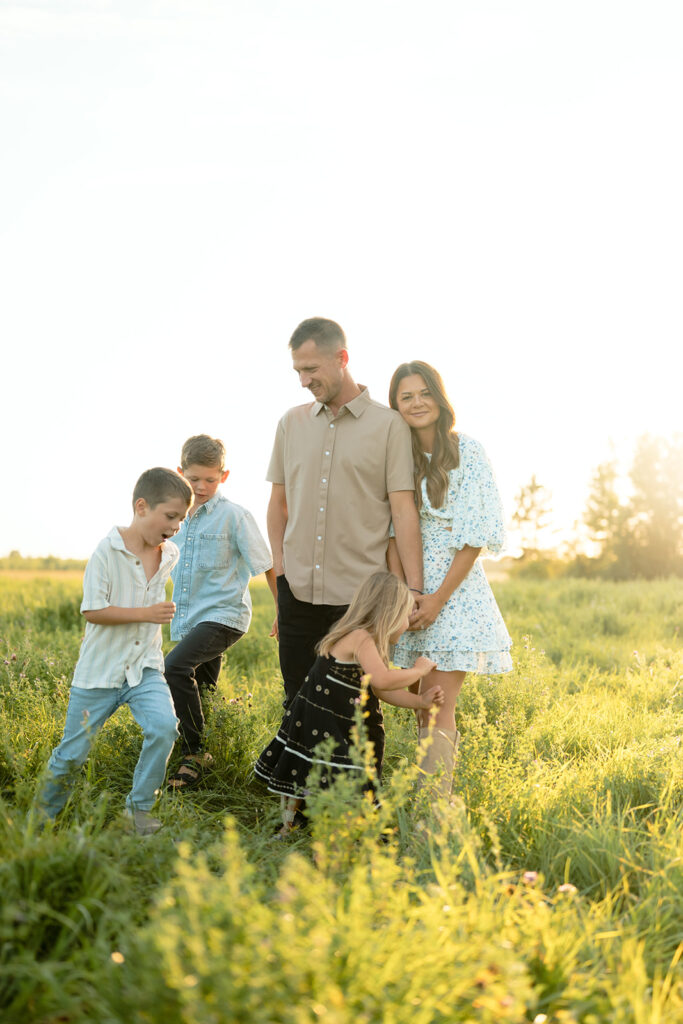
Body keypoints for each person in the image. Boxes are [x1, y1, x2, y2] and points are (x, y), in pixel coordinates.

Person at [267, 317, 423, 707]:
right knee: (296, 704)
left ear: (342, 358)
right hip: (297, 589)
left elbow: (403, 512)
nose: (303, 380)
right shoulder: (291, 423)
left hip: (360, 599)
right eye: (298, 371)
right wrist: (280, 566)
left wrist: (414, 589)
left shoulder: (389, 427)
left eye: (311, 369)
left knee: (354, 711)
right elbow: (278, 502)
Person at [37, 468, 193, 835]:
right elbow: (93, 610)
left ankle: (137, 812)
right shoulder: (106, 552)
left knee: (164, 727)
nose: (175, 527)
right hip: (100, 673)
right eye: (170, 516)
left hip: (144, 669)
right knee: (72, 753)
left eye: (181, 519)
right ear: (141, 507)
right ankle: (40, 820)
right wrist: (147, 614)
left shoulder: (168, 553)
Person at [388, 361, 513, 800]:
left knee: (439, 703)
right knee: (421, 705)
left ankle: (436, 809)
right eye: (406, 396)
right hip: (405, 589)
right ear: (395, 405)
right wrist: (405, 594)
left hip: (454, 591)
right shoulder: (394, 454)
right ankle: (425, 799)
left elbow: (474, 535)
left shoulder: (468, 451)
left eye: (424, 393)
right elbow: (390, 530)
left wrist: (437, 598)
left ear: (439, 399)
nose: (417, 402)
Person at [254, 571, 444, 834]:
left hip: (335, 721)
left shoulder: (370, 643)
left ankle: (331, 825)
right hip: (320, 719)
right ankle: (289, 825)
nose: (408, 624)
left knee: (328, 769)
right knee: (305, 768)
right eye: (406, 615)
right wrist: (419, 671)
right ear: (388, 613)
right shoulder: (360, 638)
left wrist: (420, 701)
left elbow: (381, 690)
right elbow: (385, 679)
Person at [165, 434, 277, 789]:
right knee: (204, 689)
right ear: (179, 472)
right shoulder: (174, 520)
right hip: (190, 618)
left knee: (175, 667)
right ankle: (202, 760)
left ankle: (195, 751)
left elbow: (267, 564)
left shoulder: (235, 517)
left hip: (225, 616)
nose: (201, 487)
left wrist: (283, 611)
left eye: (210, 480)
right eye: (193, 479)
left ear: (223, 476)